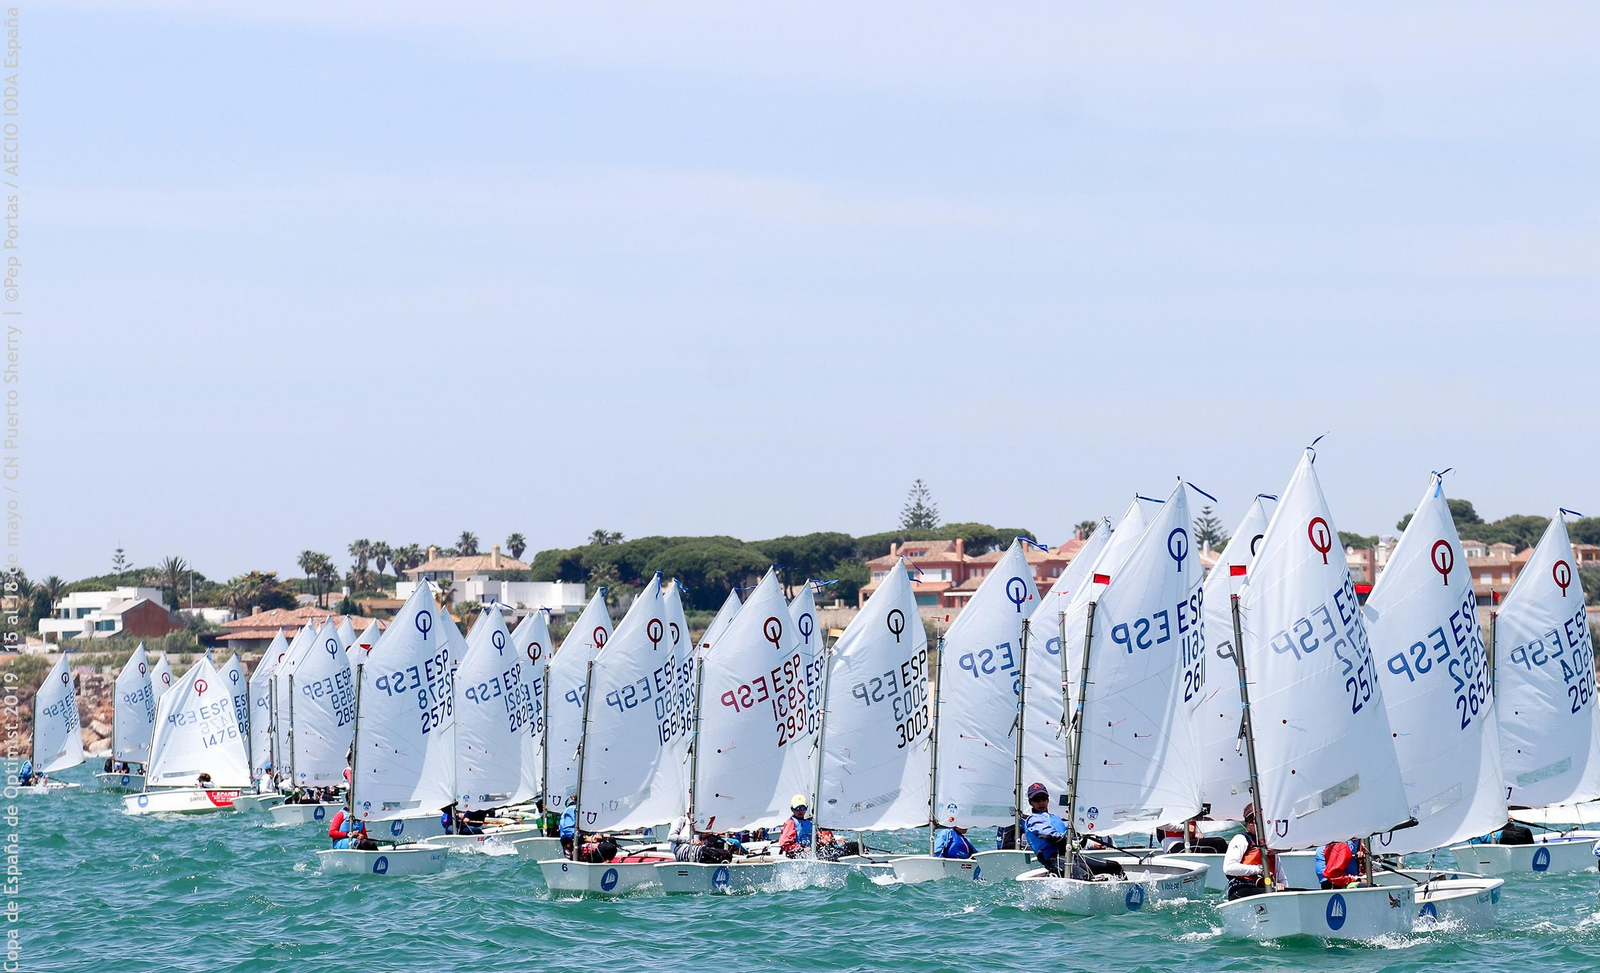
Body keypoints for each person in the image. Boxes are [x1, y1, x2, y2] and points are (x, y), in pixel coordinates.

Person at [1022, 782, 1123, 881]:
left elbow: (1075, 835)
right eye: (1036, 799)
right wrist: (1066, 840)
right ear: (1030, 802)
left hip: (1072, 857)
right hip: (1054, 860)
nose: (1040, 802)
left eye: (1043, 798)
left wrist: (1082, 836)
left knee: (1114, 866)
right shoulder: (1033, 819)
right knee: (1085, 877)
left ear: (1048, 800)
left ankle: (1125, 893)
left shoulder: (1056, 818)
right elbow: (1048, 835)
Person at [1223, 804, 1269, 900]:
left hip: (1265, 889)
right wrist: (1260, 869)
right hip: (1241, 889)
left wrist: (1282, 886)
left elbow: (1281, 877)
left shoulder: (1271, 843)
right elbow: (1228, 868)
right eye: (1252, 821)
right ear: (1249, 822)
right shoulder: (1241, 839)